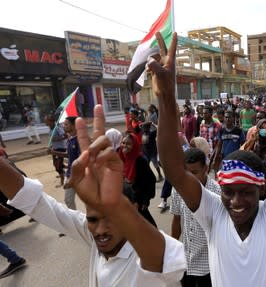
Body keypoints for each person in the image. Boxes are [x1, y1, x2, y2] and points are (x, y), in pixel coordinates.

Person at [151, 9, 266, 286]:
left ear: (262, 188)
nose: (235, 202)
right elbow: (174, 170)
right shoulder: (214, 213)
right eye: (228, 192)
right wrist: (167, 99)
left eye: (246, 192)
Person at [0, 105, 186, 286]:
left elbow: (170, 260)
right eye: (93, 219)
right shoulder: (90, 232)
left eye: (112, 217)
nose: (100, 230)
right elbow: (35, 202)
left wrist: (117, 206)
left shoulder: (145, 251)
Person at [170, 148, 221, 287]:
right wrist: (172, 249)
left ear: (205, 168)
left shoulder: (218, 192)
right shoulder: (178, 189)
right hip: (186, 260)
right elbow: (177, 220)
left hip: (209, 263)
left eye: (194, 172)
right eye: (186, 172)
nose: (189, 177)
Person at [119, 133, 158, 227]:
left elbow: (151, 180)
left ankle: (158, 240)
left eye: (128, 144)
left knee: (147, 224)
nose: (124, 145)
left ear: (134, 145)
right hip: (126, 198)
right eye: (123, 143)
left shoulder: (140, 160)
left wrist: (146, 200)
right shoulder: (122, 157)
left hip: (138, 199)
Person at [45, 114, 67, 187]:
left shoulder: (57, 128)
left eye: (46, 121)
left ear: (51, 121)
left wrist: (56, 139)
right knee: (56, 164)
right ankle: (63, 172)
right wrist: (50, 147)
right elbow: (52, 141)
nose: (45, 122)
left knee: (58, 166)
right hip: (55, 148)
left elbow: (65, 135)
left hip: (60, 149)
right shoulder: (51, 129)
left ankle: (62, 182)